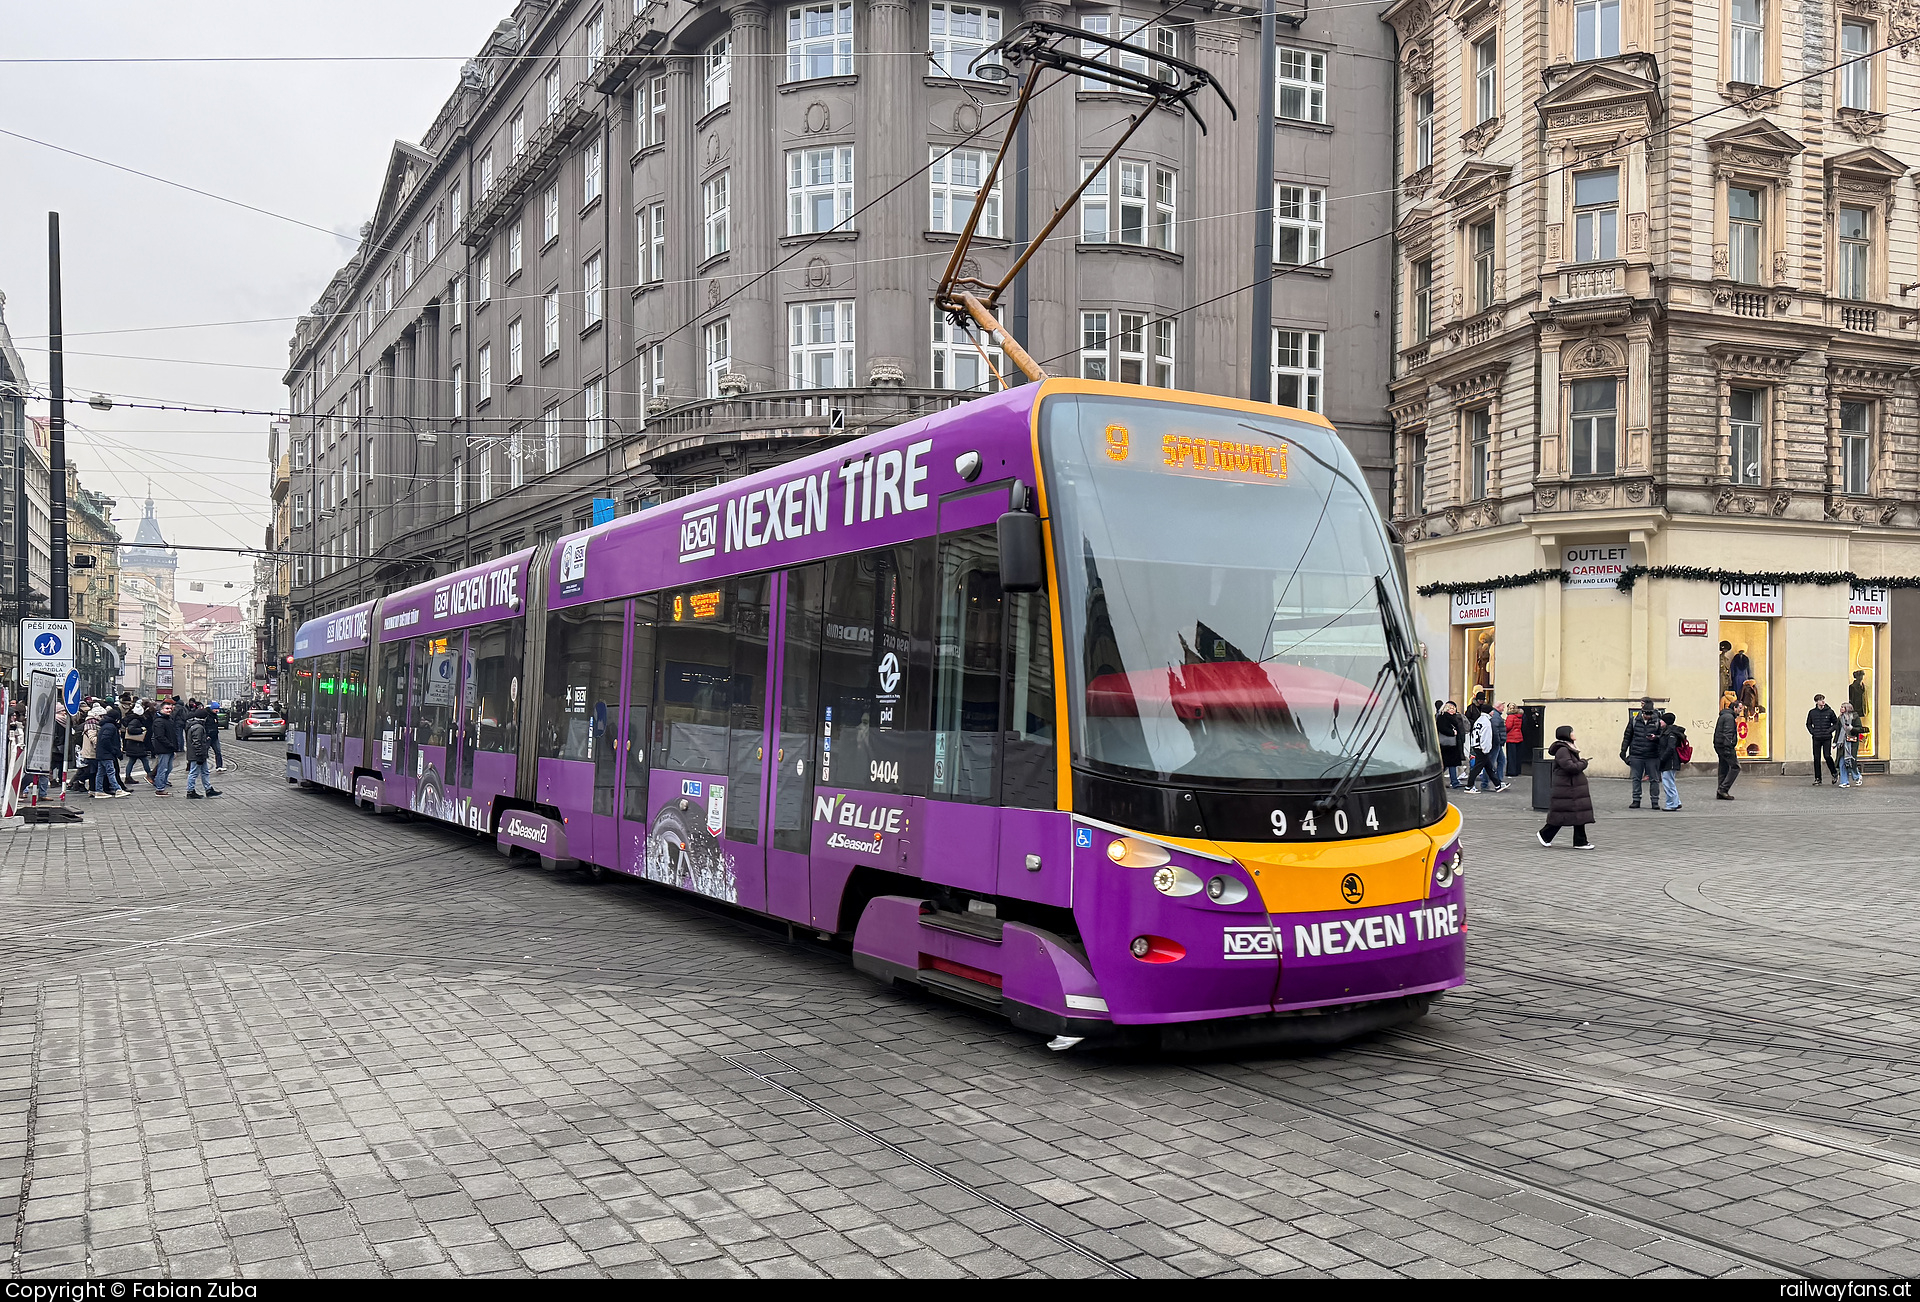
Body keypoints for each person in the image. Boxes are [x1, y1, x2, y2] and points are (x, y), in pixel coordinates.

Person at [1538, 725, 1596, 848]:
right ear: (1566, 734)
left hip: (1572, 787)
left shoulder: (1569, 748)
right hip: (1567, 788)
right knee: (1565, 814)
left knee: (1576, 814)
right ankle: (1546, 834)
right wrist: (1583, 763)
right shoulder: (1563, 750)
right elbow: (1570, 767)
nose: (1574, 733)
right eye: (1571, 732)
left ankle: (1578, 841)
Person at [1618, 697, 1663, 809]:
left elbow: (1662, 737)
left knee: (1654, 779)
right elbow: (1627, 736)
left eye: (1650, 714)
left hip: (1652, 755)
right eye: (1646, 714)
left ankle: (1655, 801)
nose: (1648, 716)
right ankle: (1636, 800)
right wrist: (1623, 751)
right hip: (1636, 754)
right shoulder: (1634, 720)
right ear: (1642, 712)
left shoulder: (1657, 721)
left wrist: (1656, 738)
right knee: (1636, 778)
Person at [183, 703, 221, 798]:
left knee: (205, 771)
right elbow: (196, 742)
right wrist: (199, 755)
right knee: (194, 772)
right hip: (197, 755)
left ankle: (208, 789)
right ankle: (190, 791)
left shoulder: (194, 725)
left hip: (200, 754)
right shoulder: (198, 727)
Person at [93, 704, 127, 799]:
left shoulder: (105, 725)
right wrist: (113, 750)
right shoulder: (110, 727)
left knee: (100, 773)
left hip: (101, 753)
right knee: (111, 772)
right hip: (107, 754)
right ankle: (117, 789)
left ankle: (99, 790)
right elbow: (105, 740)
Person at [1656, 711, 1687, 811]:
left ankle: (1671, 804)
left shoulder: (1671, 733)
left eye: (1662, 721)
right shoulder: (1668, 732)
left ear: (1666, 722)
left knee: (1668, 783)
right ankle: (1676, 802)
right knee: (1670, 782)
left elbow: (1670, 747)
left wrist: (1662, 759)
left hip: (1670, 762)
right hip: (1670, 761)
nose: (1660, 722)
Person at [148, 698, 181, 796]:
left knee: (169, 767)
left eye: (170, 709)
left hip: (169, 748)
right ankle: (159, 788)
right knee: (162, 768)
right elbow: (160, 736)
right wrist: (170, 745)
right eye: (167, 708)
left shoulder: (168, 719)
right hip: (164, 749)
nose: (169, 710)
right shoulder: (159, 721)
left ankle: (163, 782)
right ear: (161, 709)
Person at [1806, 693, 1839, 785]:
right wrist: (1813, 732)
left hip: (1826, 737)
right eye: (1820, 700)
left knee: (1827, 755)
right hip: (1816, 737)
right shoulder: (1812, 712)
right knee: (1816, 758)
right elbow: (1808, 724)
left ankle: (1834, 772)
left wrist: (1829, 730)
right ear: (1816, 702)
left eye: (1823, 699)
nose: (1823, 701)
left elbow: (1836, 723)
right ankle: (1818, 778)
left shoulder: (1829, 712)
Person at [1714, 690, 1741, 800]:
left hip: (1719, 745)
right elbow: (1728, 733)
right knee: (1735, 767)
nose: (1740, 711)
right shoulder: (1729, 718)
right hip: (1726, 746)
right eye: (1740, 708)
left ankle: (1720, 791)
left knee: (1723, 768)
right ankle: (1723, 789)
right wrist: (1729, 746)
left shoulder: (1724, 715)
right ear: (1735, 708)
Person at [1467, 705, 1500, 792]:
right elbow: (1486, 737)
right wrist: (1486, 749)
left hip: (1476, 745)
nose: (1493, 712)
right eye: (1492, 711)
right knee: (1477, 768)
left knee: (1488, 766)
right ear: (1489, 712)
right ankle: (1469, 786)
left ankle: (1498, 784)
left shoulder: (1479, 720)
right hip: (1482, 747)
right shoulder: (1486, 722)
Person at [120, 700, 153, 787]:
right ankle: (150, 775)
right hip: (136, 744)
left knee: (132, 761)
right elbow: (131, 729)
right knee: (144, 759)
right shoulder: (136, 720)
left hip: (132, 744)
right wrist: (141, 729)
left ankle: (128, 777)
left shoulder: (132, 718)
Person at [1835, 702, 1864, 788]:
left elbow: (1860, 729)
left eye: (1842, 707)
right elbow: (1838, 730)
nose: (1841, 709)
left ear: (1847, 708)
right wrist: (1835, 742)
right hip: (1842, 743)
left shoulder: (1855, 717)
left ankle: (1857, 776)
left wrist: (1852, 728)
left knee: (1851, 761)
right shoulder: (1840, 718)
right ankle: (1844, 781)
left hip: (1852, 743)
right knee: (1841, 762)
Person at [1437, 701, 1464, 789]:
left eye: (1454, 708)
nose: (1453, 710)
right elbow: (1442, 728)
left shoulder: (1452, 717)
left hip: (1452, 743)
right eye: (1451, 708)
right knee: (1449, 763)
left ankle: (1453, 781)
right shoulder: (1443, 717)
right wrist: (1452, 732)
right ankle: (1454, 781)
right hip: (1447, 743)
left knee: (1449, 763)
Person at [1505, 704, 1526, 784]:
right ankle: (1517, 770)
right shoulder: (1519, 716)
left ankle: (1511, 771)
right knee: (1517, 755)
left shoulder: (1511, 717)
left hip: (1511, 738)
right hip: (1519, 736)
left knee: (1511, 756)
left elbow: (1508, 727)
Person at [207, 701, 227, 772]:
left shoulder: (215, 716)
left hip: (215, 737)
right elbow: (205, 726)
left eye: (218, 709)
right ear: (212, 709)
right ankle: (204, 767)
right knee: (205, 752)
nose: (217, 710)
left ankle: (219, 766)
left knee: (218, 751)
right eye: (216, 709)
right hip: (208, 737)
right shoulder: (208, 715)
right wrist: (207, 735)